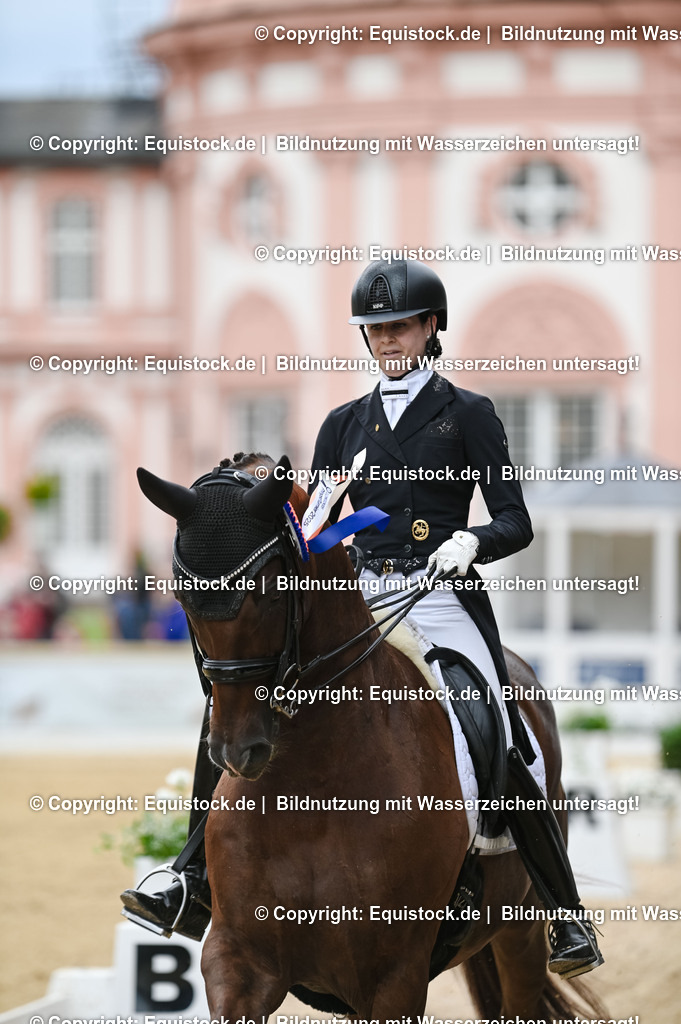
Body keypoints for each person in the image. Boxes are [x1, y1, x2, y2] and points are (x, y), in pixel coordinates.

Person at [121, 259, 603, 979]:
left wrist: (470, 541)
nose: (387, 340)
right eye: (375, 330)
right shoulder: (343, 424)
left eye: (400, 326)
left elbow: (513, 519)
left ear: (430, 327)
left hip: (440, 597)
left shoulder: (467, 413)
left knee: (496, 723)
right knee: (235, 705)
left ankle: (561, 913)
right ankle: (189, 880)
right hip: (358, 599)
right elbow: (315, 525)